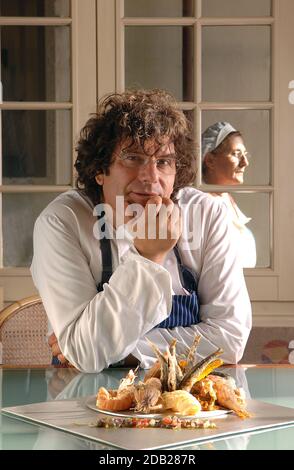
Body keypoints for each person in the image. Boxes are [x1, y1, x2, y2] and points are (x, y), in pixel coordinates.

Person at [31, 89, 251, 373]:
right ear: (100, 169)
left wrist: (123, 353)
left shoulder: (206, 214)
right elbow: (86, 352)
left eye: (163, 162)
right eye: (132, 158)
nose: (150, 177)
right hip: (82, 404)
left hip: (185, 406)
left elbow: (230, 339)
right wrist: (148, 258)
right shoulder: (63, 222)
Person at [202, 122, 257, 268]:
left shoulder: (226, 199)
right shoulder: (203, 204)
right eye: (236, 154)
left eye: (245, 154)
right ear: (210, 161)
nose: (245, 162)